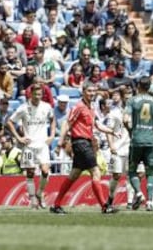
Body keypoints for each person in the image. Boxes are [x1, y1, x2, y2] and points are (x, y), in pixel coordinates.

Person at [50, 81, 120, 214]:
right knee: (95, 171)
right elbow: (67, 124)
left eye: (94, 91)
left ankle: (56, 205)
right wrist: (59, 143)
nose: (92, 93)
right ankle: (105, 206)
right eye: (89, 91)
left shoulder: (91, 107)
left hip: (86, 143)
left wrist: (111, 131)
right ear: (83, 91)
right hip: (80, 143)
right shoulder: (79, 106)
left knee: (74, 174)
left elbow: (97, 125)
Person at [7, 83, 56, 209]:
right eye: (35, 94)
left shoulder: (47, 107)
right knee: (30, 172)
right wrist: (19, 138)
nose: (38, 96)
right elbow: (10, 122)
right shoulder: (23, 108)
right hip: (29, 145)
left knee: (45, 171)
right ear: (31, 94)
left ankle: (39, 193)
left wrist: (52, 135)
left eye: (40, 94)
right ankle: (33, 198)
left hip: (43, 145)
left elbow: (52, 120)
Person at [123, 76, 153, 211]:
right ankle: (149, 202)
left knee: (131, 170)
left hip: (136, 140)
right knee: (150, 172)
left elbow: (125, 119)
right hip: (151, 141)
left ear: (139, 86)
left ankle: (138, 193)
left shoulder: (132, 100)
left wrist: (130, 130)